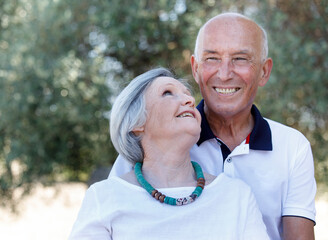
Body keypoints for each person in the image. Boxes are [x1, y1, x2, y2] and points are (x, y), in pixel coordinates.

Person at [109, 13, 317, 240]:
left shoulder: (293, 147)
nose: (225, 74)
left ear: (264, 72)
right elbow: (113, 214)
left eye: (240, 58)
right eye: (212, 58)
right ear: (196, 68)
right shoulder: (152, 142)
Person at [69, 68, 269, 239]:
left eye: (188, 94)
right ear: (137, 123)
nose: (190, 100)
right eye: (167, 93)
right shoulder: (104, 197)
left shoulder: (236, 196)